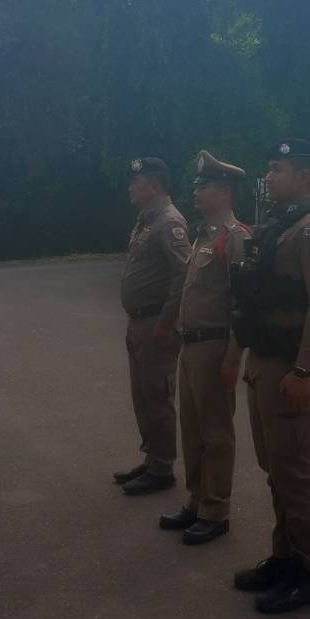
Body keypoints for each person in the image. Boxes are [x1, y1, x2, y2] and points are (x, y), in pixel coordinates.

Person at [229, 138, 310, 614]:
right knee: (276, 469)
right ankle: (284, 557)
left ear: (303, 177)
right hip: (266, 362)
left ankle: (308, 573)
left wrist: (303, 369)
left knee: (296, 471)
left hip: (293, 367)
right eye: (269, 168)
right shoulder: (280, 224)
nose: (269, 176)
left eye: (277, 168)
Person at [158, 152, 250, 546]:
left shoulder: (236, 238)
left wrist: (233, 358)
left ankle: (216, 509)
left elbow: (242, 305)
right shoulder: (202, 236)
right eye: (196, 185)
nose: (196, 192)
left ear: (225, 191)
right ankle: (196, 501)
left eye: (205, 186)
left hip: (214, 348)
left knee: (216, 433)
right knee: (192, 431)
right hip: (191, 347)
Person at [114, 157, 190, 496]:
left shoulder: (169, 222)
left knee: (157, 396)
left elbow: (182, 275)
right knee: (143, 395)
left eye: (137, 182)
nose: (130, 187)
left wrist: (166, 322)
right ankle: (153, 457)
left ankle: (162, 468)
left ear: (155, 186)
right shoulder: (147, 220)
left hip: (156, 323)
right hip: (139, 322)